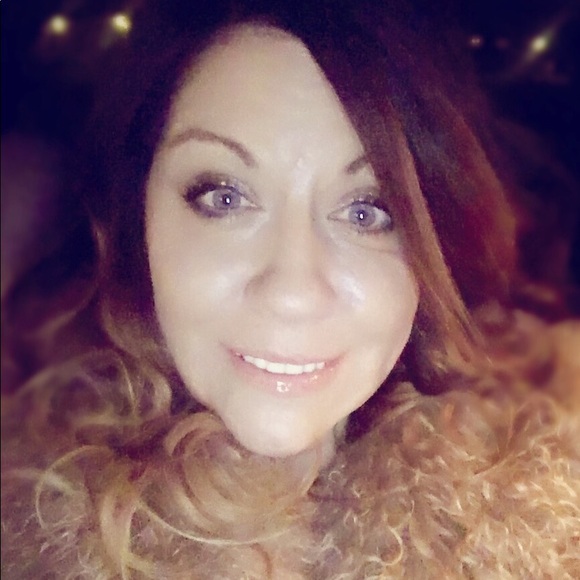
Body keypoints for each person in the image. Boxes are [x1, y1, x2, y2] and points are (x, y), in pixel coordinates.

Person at [2, 0, 579, 577]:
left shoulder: (544, 520)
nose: (292, 292)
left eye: (367, 211)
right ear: (139, 218)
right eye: (224, 197)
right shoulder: (30, 529)